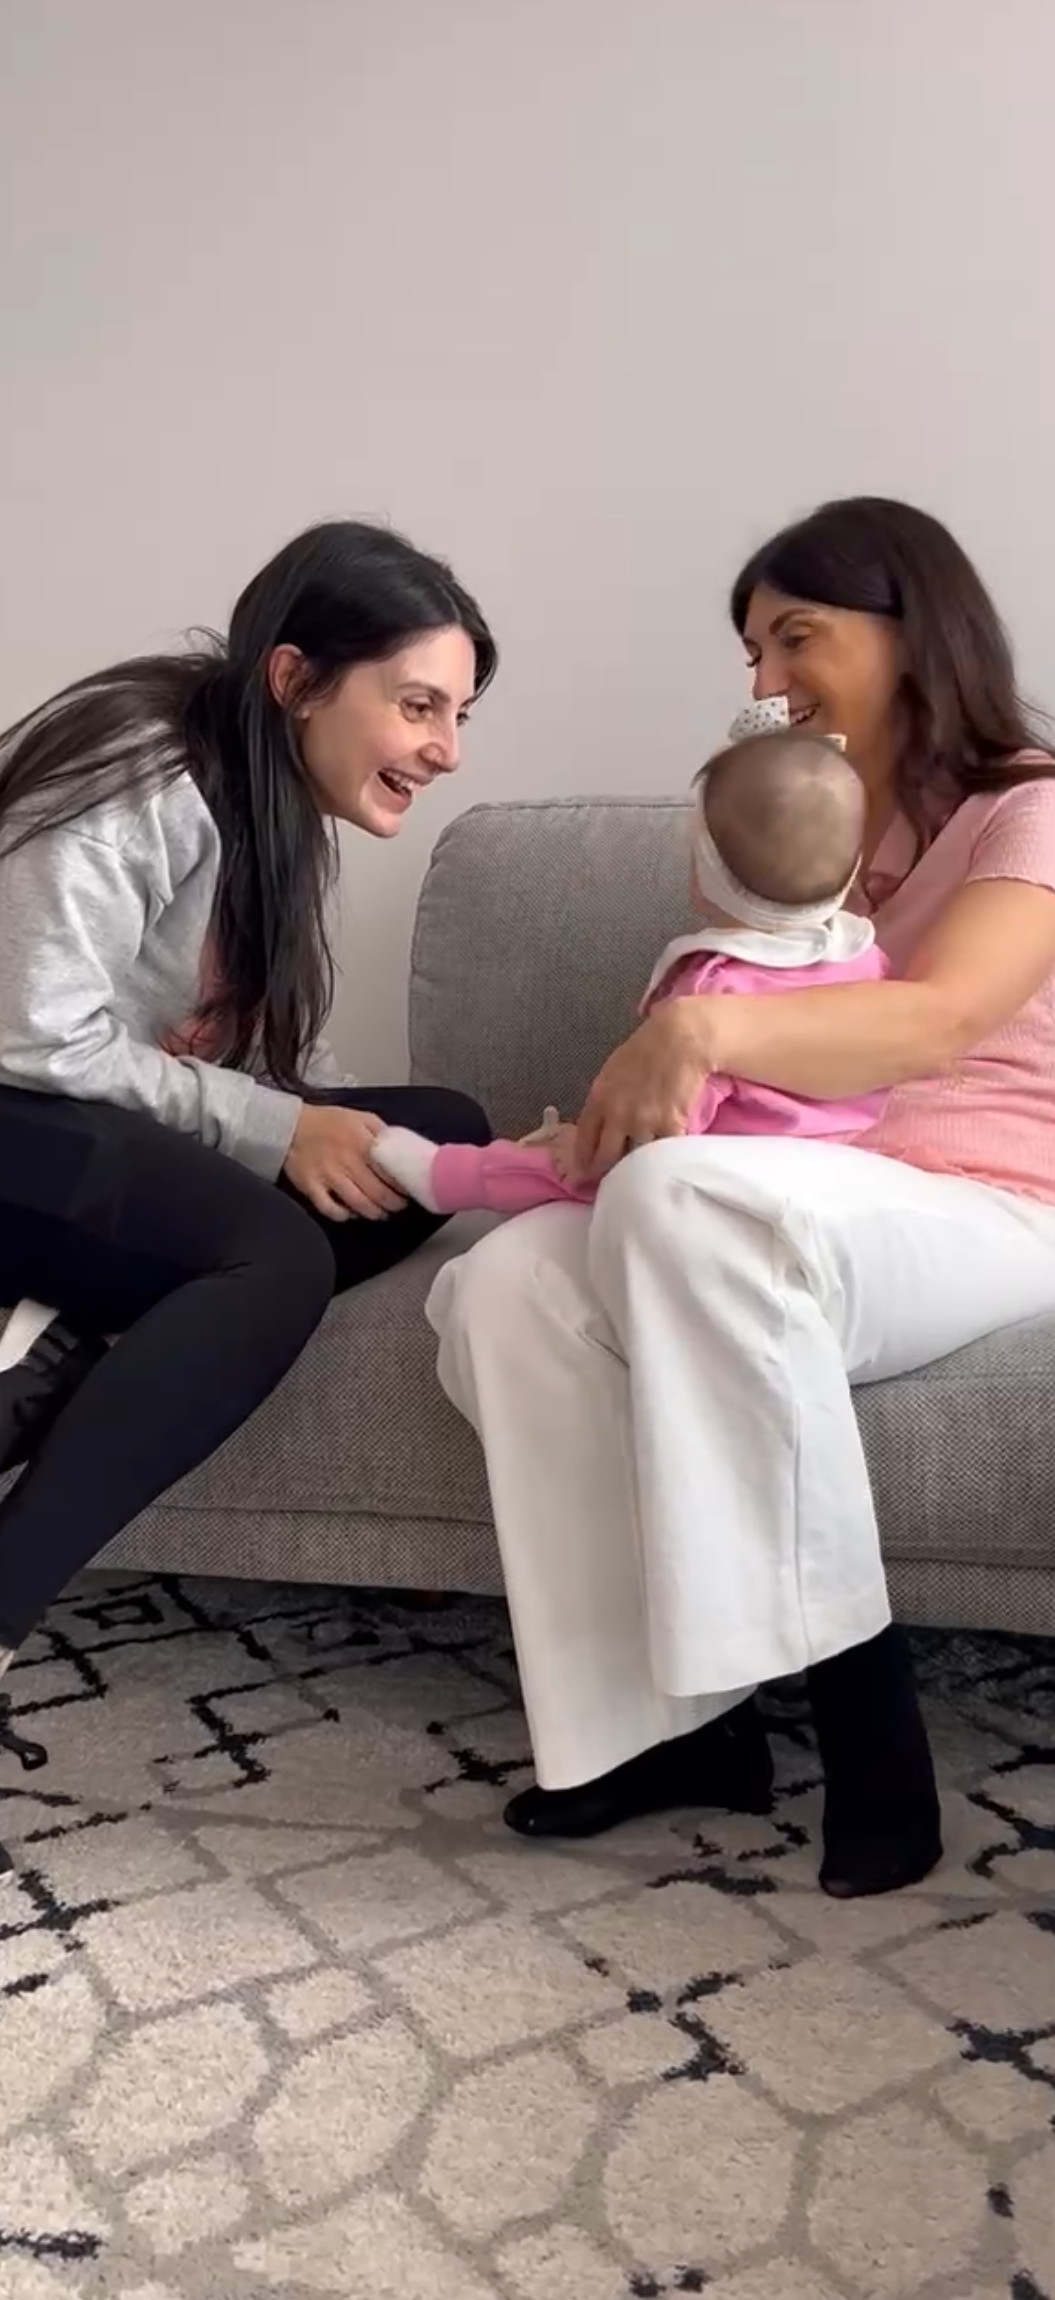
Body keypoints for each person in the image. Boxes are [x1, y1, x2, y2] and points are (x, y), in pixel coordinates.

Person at [426, 495, 1055, 1899]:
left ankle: (861, 1715)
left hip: (994, 1204)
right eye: (752, 651)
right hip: (828, 1196)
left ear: (911, 631)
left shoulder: (1032, 812)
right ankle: (656, 1738)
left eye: (793, 636)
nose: (764, 681)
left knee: (681, 1201)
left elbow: (941, 1021)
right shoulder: (827, 840)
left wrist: (697, 1036)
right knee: (506, 1280)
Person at [0, 519, 496, 1882]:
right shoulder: (140, 762)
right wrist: (273, 1127)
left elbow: (253, 1060)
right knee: (272, 1257)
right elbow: (35, 1039)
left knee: (435, 1133)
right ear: (291, 677)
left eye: (457, 713)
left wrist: (459, 1153)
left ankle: (75, 1334)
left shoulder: (274, 815)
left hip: (78, 1122)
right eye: (416, 704)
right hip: (14, 1113)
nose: (446, 747)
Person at [371, 714, 889, 1218]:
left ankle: (447, 1177)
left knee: (557, 1167)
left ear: (706, 875)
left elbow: (660, 1125)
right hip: (836, 1184)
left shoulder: (712, 990)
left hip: (715, 1191)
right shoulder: (869, 963)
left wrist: (588, 1151)